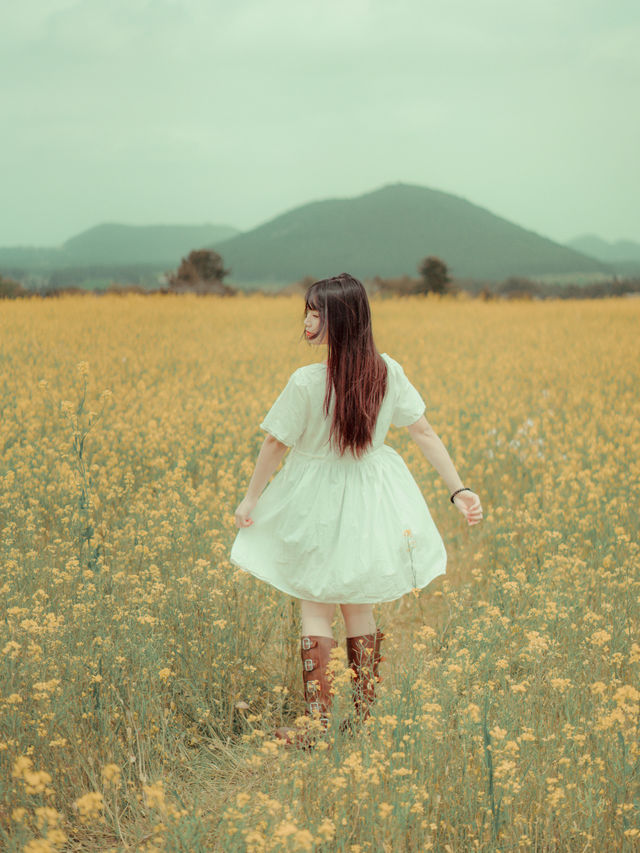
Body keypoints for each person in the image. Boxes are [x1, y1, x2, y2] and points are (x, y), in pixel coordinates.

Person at [231, 273, 483, 747]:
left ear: (340, 320)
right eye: (307, 310)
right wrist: (458, 489)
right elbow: (423, 432)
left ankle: (317, 727)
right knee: (360, 608)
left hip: (316, 501)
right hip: (372, 498)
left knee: (315, 608)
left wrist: (251, 498)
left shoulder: (307, 381)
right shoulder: (387, 371)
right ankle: (364, 723)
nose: (308, 319)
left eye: (317, 312)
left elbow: (274, 442)